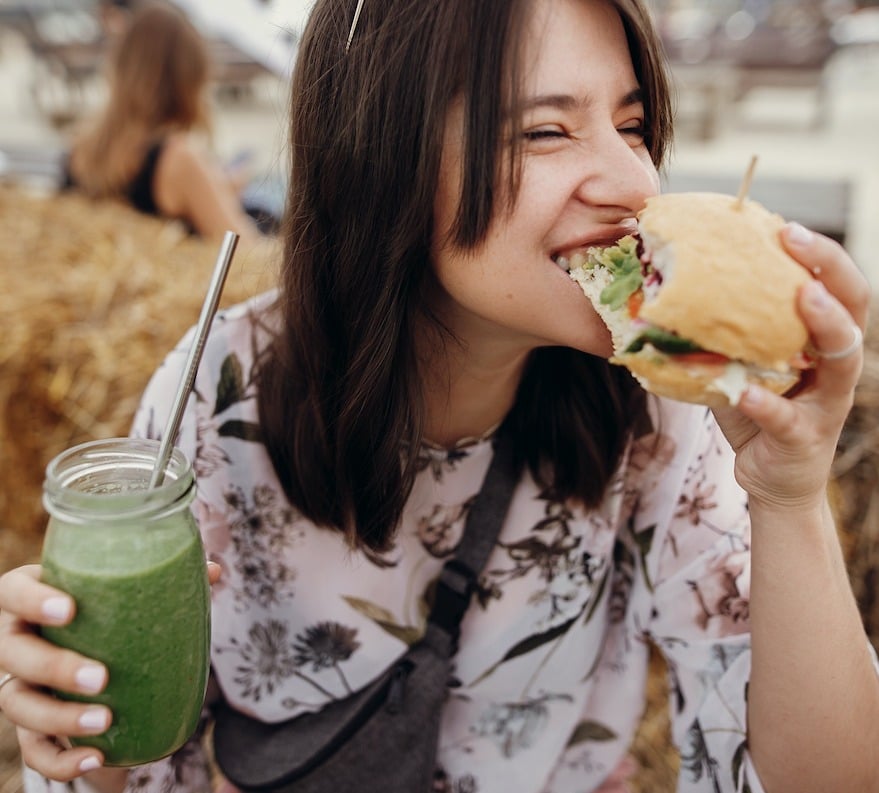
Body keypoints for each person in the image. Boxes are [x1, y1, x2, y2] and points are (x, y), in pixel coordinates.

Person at [1, 0, 877, 791]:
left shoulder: (663, 400)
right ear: (383, 155)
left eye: (633, 123)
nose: (636, 185)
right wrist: (77, 723)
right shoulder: (218, 392)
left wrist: (789, 491)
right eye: (545, 133)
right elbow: (134, 761)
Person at [61, 1, 265, 242]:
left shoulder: (80, 148)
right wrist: (220, 194)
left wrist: (214, 188)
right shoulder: (180, 158)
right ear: (188, 80)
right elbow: (247, 253)